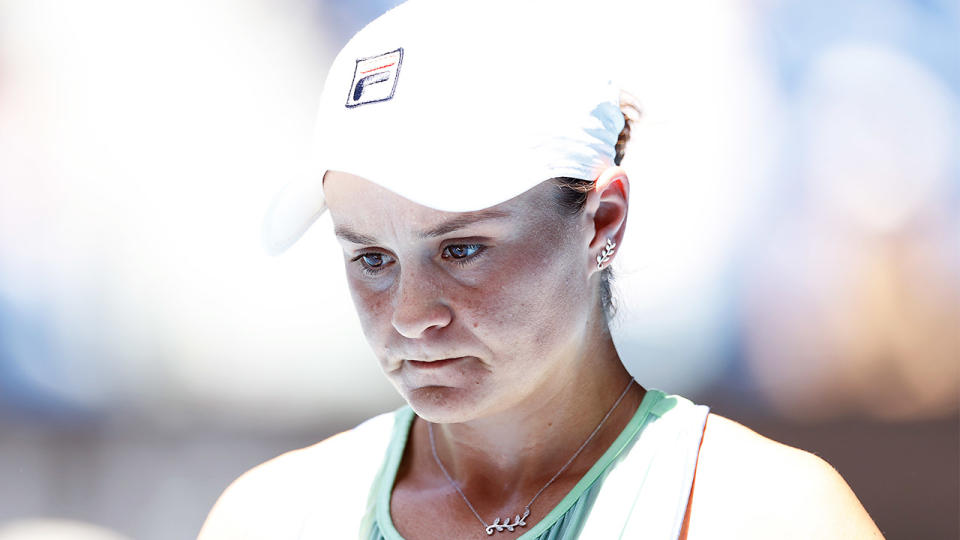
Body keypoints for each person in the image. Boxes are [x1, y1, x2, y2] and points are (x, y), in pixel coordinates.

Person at [199, 1, 885, 538]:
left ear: (602, 221)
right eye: (371, 258)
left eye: (461, 248)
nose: (410, 315)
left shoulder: (770, 517)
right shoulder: (271, 519)